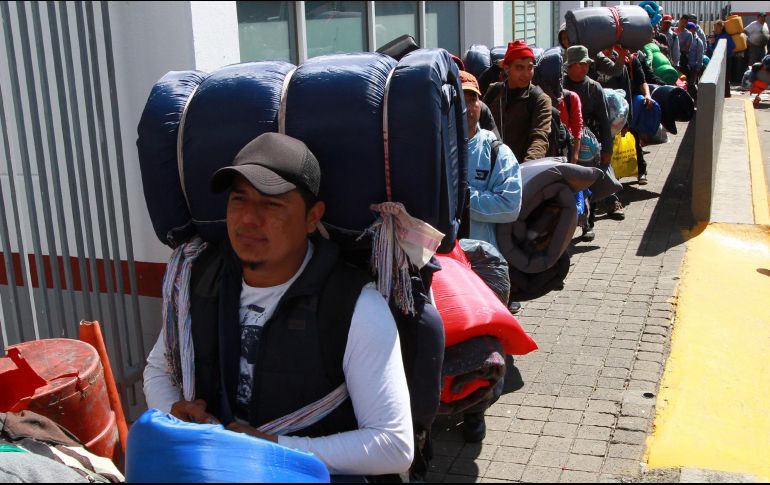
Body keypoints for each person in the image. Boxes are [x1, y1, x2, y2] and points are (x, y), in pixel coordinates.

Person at [143, 132, 414, 478]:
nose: (248, 219)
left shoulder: (354, 307)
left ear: (312, 216)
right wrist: (171, 414)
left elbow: (394, 445)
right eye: (238, 200)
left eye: (272, 204)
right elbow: (159, 369)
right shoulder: (200, 281)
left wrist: (272, 447)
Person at [459, 70, 523, 443]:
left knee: (482, 346)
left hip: (482, 267)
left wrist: (462, 199)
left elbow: (509, 203)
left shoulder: (496, 151)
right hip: (439, 263)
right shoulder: (433, 146)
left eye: (471, 99)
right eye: (459, 99)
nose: (466, 107)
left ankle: (475, 412)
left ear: (480, 104)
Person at [563, 45, 615, 235]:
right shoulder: (560, 85)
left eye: (586, 64)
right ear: (571, 66)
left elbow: (604, 120)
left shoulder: (594, 88)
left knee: (589, 183)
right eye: (580, 64)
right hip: (566, 143)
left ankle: (588, 223)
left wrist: (607, 149)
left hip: (590, 146)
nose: (584, 68)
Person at [483, 40, 552, 163]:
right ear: (506, 68)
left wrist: (526, 169)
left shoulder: (540, 99)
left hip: (522, 169)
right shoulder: (494, 91)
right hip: (492, 168)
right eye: (519, 67)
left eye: (530, 67)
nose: (526, 74)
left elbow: (540, 138)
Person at [710, 20, 736, 97]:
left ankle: (726, 93)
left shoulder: (726, 36)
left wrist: (724, 54)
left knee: (726, 76)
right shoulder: (716, 37)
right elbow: (713, 49)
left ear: (721, 27)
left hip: (726, 59)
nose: (715, 29)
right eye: (715, 27)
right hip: (718, 59)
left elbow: (732, 47)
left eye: (717, 27)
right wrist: (712, 44)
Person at [686, 22, 705, 99]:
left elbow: (700, 54)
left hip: (693, 67)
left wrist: (698, 66)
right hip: (684, 65)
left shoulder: (698, 41)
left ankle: (697, 99)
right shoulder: (683, 37)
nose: (694, 31)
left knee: (691, 85)